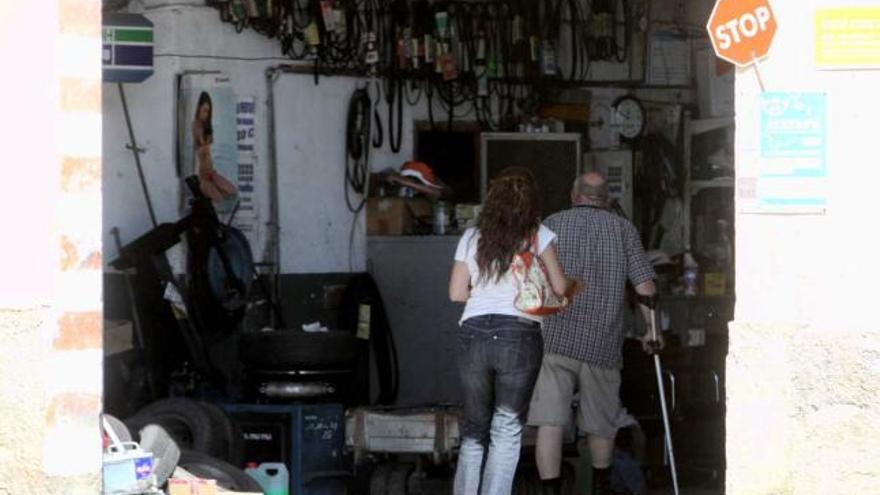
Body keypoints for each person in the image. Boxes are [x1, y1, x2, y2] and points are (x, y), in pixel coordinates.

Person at [449, 167, 580, 495]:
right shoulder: (539, 235)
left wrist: (485, 290)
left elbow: (456, 294)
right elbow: (560, 286)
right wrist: (576, 287)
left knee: (474, 429)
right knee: (506, 429)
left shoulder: (472, 237)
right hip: (518, 334)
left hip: (473, 332)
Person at [528, 172, 659, 495]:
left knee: (551, 420)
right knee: (601, 421)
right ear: (607, 199)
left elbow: (529, 280)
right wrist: (652, 331)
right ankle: (601, 485)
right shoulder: (623, 229)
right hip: (603, 340)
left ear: (575, 195)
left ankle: (550, 490)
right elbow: (645, 287)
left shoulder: (551, 225)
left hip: (556, 337)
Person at [192, 91, 237, 201]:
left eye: (208, 112)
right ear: (198, 108)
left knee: (232, 192)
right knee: (219, 199)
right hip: (203, 178)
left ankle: (215, 190)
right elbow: (200, 148)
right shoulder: (196, 125)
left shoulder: (206, 127)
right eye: (204, 110)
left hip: (212, 173)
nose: (206, 115)